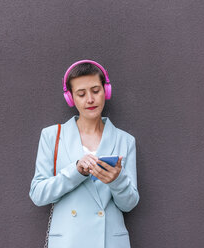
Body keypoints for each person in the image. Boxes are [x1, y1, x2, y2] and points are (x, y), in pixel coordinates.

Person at [29, 59, 139, 248]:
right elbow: (38, 195)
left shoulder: (125, 140)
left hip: (110, 242)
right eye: (81, 94)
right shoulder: (52, 136)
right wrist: (76, 171)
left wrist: (116, 180)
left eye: (96, 91)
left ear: (106, 91)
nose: (90, 99)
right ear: (71, 98)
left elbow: (128, 204)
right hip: (69, 241)